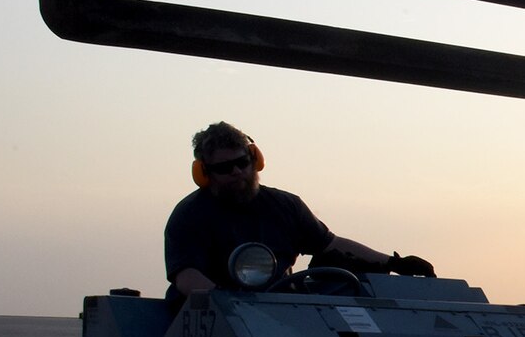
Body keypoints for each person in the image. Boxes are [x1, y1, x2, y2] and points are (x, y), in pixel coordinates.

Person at [166, 121, 434, 296]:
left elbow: (331, 245)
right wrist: (227, 305)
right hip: (212, 324)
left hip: (280, 314)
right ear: (204, 173)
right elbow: (187, 277)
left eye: (242, 162)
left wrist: (394, 263)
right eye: (225, 168)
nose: (237, 172)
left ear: (255, 160)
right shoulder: (189, 215)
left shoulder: (285, 206)